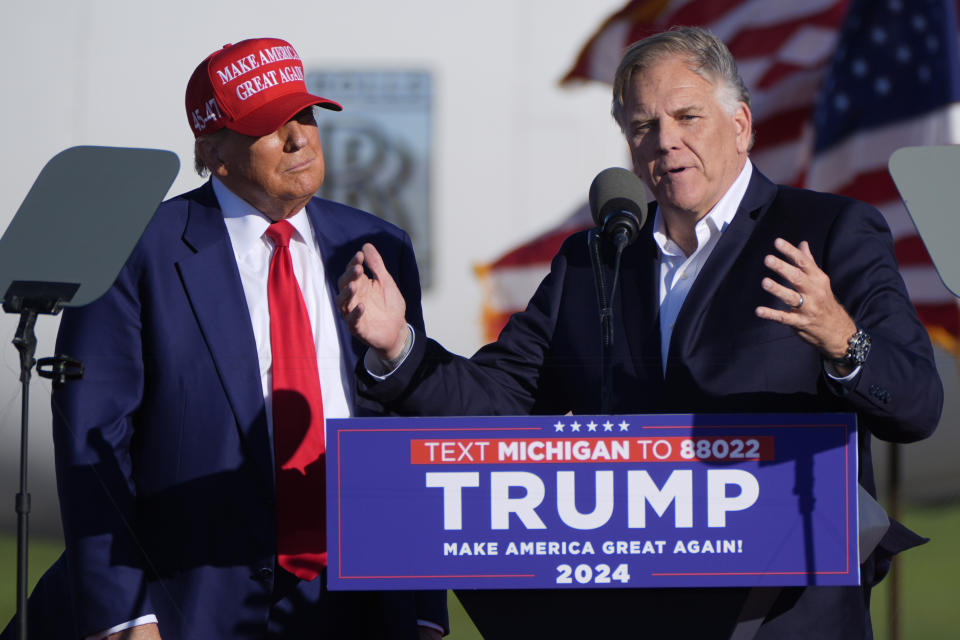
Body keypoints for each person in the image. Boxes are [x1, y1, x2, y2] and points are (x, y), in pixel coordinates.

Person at [337, 26, 942, 639]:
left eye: (687, 116)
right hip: (628, 613)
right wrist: (399, 347)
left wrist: (843, 340)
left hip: (780, 614)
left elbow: (916, 404)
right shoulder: (595, 259)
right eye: (642, 126)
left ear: (740, 125)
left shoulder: (828, 233)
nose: (666, 142)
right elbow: (499, 402)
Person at [5, 37, 446, 640]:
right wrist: (125, 615)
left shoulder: (378, 245)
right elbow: (93, 449)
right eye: (270, 125)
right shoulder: (137, 249)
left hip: (355, 600)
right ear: (214, 152)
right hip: (188, 604)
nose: (300, 139)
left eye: (306, 116)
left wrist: (422, 606)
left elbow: (407, 429)